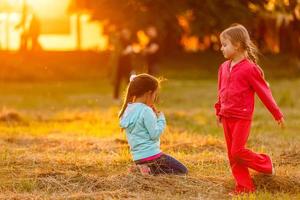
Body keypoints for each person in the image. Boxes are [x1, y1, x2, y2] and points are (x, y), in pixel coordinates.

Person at [215, 24, 285, 195]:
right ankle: (245, 187)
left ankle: (266, 164)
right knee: (233, 156)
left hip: (242, 116)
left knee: (238, 151)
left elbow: (264, 92)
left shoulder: (249, 68)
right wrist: (219, 110)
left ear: (237, 45)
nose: (221, 48)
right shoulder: (223, 67)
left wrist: (277, 113)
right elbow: (220, 90)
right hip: (227, 115)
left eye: (225, 44)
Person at [119, 73, 187, 175]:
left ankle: (142, 168)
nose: (155, 97)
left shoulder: (127, 110)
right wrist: (160, 119)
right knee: (182, 170)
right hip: (153, 156)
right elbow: (154, 134)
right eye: (155, 94)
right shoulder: (146, 110)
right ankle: (150, 170)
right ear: (149, 93)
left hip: (138, 158)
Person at [113, 28, 134, 100]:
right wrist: (127, 51)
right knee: (118, 81)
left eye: (127, 33)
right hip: (120, 65)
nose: (127, 35)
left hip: (128, 65)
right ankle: (116, 97)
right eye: (125, 33)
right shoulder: (119, 41)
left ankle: (130, 96)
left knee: (129, 81)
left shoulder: (129, 41)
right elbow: (120, 53)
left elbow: (131, 53)